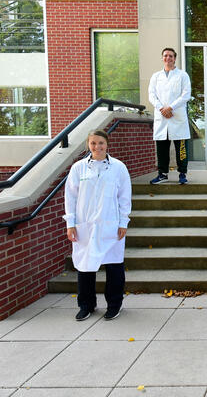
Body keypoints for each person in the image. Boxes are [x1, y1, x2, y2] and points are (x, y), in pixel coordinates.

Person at [64, 130, 132, 321]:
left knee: (114, 267)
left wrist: (123, 222)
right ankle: (86, 305)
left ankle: (114, 305)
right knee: (85, 267)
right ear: (88, 145)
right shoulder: (79, 168)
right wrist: (71, 223)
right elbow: (70, 197)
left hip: (110, 224)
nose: (97, 147)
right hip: (85, 225)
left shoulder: (118, 168)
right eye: (93, 143)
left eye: (101, 143)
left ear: (107, 144)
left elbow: (124, 198)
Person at [148, 47, 192, 184]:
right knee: (162, 147)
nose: (168, 58)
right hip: (162, 117)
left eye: (171, 56)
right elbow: (151, 95)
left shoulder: (182, 75)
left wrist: (170, 107)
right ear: (162, 58)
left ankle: (182, 174)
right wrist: (162, 108)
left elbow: (186, 95)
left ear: (175, 58)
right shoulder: (156, 76)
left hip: (177, 116)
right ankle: (162, 174)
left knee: (181, 147)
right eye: (166, 55)